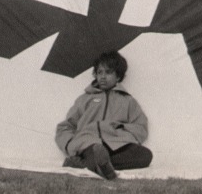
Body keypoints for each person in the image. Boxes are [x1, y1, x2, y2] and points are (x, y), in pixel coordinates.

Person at [55, 50, 153, 179]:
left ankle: (86, 164)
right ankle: (97, 162)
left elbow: (141, 126)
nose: (102, 76)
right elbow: (65, 127)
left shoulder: (128, 101)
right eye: (99, 72)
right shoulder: (85, 99)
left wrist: (121, 132)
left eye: (108, 72)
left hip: (116, 144)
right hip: (89, 144)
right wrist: (70, 144)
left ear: (118, 76)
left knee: (145, 155)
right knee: (96, 151)